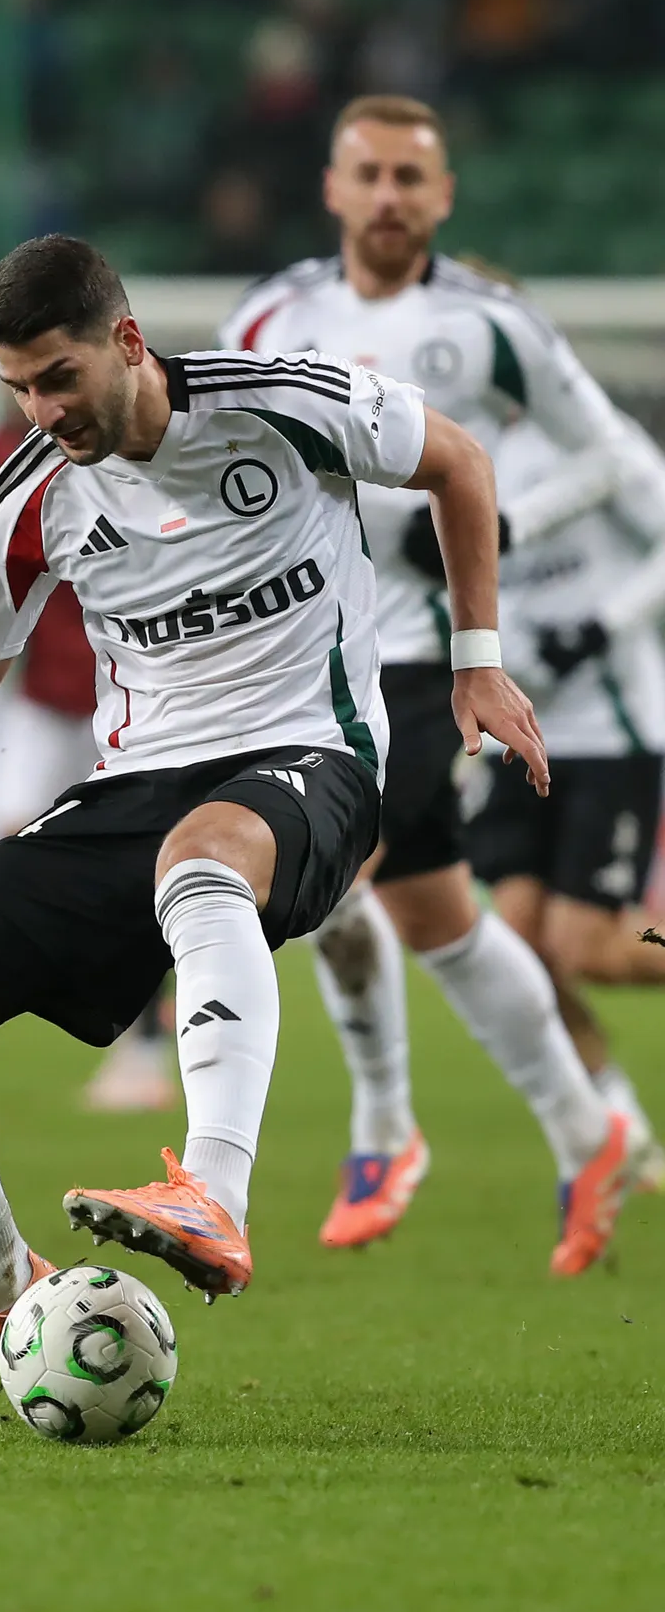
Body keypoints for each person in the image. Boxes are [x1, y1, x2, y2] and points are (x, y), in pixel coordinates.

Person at [0, 234, 564, 1429]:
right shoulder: (32, 493)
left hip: (313, 760)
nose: (40, 408)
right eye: (20, 385)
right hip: (136, 787)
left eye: (58, 376)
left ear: (127, 342)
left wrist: (478, 664)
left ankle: (213, 1192)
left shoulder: (281, 404)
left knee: (203, 861)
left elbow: (461, 464)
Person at [221, 93, 644, 1253]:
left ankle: (387, 1125)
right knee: (439, 916)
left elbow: (610, 451)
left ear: (444, 194)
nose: (392, 197)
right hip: (306, 650)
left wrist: (500, 525)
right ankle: (586, 1132)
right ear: (334, 186)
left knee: (329, 876)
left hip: (423, 656)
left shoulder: (492, 322)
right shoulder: (272, 316)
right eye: (372, 174)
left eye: (414, 177)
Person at [464, 410, 665, 1183]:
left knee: (589, 947)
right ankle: (622, 1125)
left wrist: (599, 628)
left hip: (613, 732)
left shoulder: (594, 437)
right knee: (517, 950)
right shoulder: (451, 438)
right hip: (523, 728)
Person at [0, 422, 176, 1112]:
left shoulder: (143, 443)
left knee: (150, 869)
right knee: (13, 846)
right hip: (43, 694)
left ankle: (145, 1049)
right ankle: (79, 999)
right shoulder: (1, 451)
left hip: (125, 689)